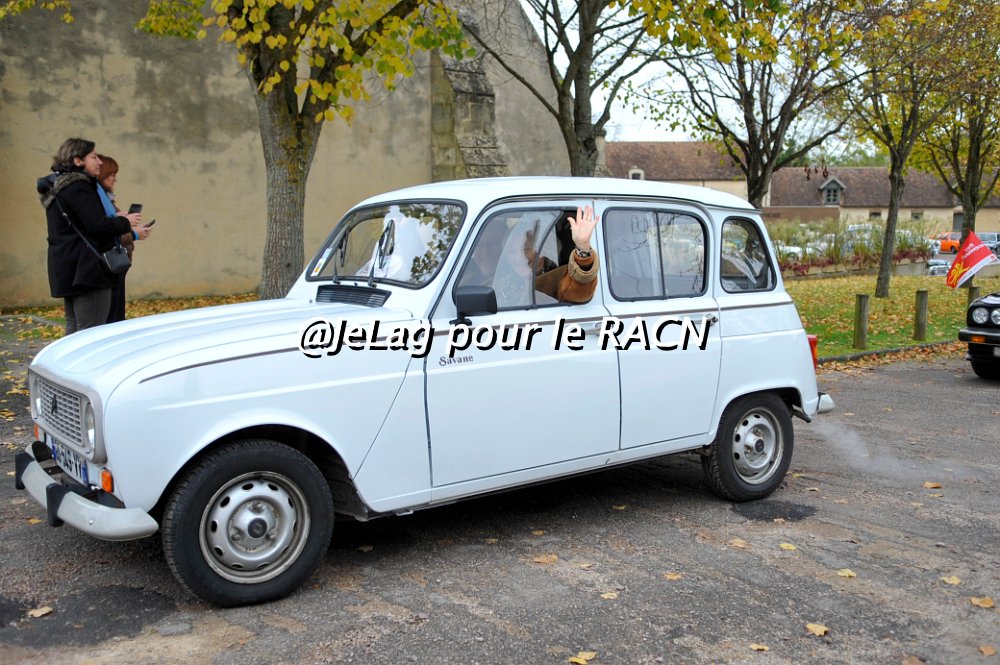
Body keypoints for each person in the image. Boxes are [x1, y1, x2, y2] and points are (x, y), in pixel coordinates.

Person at [39, 138, 143, 334]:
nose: (100, 162)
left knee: (74, 329)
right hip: (88, 268)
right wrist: (126, 221)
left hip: (68, 266)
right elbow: (98, 226)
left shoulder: (58, 188)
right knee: (91, 332)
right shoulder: (79, 187)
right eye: (94, 157)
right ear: (78, 161)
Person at [97, 155, 151, 323]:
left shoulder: (107, 200)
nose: (115, 179)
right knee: (111, 315)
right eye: (112, 174)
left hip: (118, 263)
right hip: (110, 263)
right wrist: (134, 233)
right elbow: (108, 232)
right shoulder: (99, 201)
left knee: (115, 312)